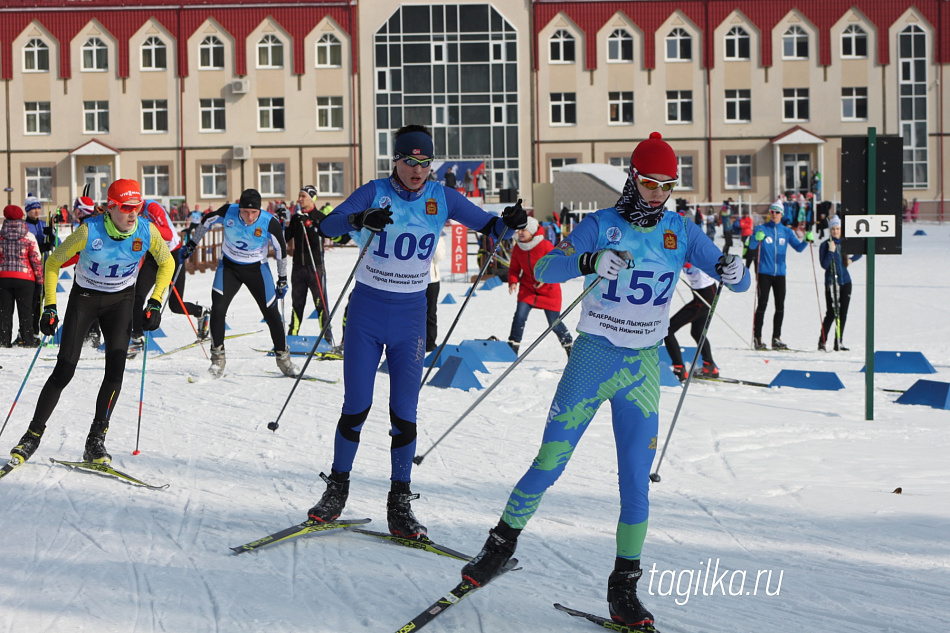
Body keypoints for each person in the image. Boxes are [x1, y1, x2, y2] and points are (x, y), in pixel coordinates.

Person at [459, 132, 750, 630]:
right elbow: (548, 266)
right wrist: (588, 261)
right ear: (633, 179)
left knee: (636, 483)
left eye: (666, 185)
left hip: (642, 369)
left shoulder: (680, 230)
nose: (657, 193)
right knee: (550, 461)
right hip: (593, 358)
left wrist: (732, 268)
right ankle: (498, 545)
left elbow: (734, 279)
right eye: (649, 182)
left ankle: (624, 588)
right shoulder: (601, 224)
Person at [306, 123, 526, 538]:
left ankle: (400, 505)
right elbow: (327, 227)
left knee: (404, 413)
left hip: (410, 316)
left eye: (425, 163)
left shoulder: (441, 197)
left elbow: (491, 227)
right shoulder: (374, 191)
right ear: (397, 160)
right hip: (367, 313)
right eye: (410, 161)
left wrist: (510, 221)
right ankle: (336, 491)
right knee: (357, 404)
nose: (418, 170)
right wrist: (359, 217)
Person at [7, 179, 173, 467]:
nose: (133, 213)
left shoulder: (146, 231)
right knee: (64, 370)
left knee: (115, 373)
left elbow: (167, 263)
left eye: (137, 207)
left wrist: (156, 301)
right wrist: (49, 306)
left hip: (120, 301)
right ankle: (32, 434)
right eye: (126, 207)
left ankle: (96, 440)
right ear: (111, 207)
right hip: (84, 298)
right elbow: (53, 262)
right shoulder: (89, 230)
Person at [181, 189, 297, 378]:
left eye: (254, 212)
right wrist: (192, 244)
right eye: (245, 211)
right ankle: (217, 360)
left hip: (257, 269)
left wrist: (282, 279)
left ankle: (284, 360)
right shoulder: (229, 211)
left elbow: (281, 250)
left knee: (271, 313)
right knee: (218, 309)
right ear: (239, 207)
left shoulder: (269, 222)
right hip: (229, 268)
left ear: (260, 210)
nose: (249, 217)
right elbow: (207, 221)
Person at [130, 199, 211, 353]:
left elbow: (167, 233)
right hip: (153, 256)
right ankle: (137, 338)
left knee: (176, 305)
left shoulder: (152, 207)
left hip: (173, 256)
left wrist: (145, 225)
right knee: (137, 297)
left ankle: (202, 312)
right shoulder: (131, 215)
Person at [747, 201, 813, 350]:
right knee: (762, 304)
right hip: (764, 272)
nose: (774, 215)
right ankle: (757, 338)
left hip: (780, 274)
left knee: (780, 306)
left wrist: (806, 240)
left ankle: (776, 338)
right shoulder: (762, 229)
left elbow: (798, 248)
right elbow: (751, 247)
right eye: (772, 212)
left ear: (782, 214)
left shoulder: (787, 231)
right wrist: (755, 238)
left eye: (777, 212)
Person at [506, 214, 573, 358]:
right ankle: (512, 348)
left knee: (554, 323)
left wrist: (546, 278)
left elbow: (555, 266)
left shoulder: (545, 245)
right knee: (519, 317)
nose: (521, 233)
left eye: (524, 230)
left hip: (549, 290)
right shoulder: (518, 247)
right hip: (528, 288)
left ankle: (569, 346)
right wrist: (512, 281)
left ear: (532, 231)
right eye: (519, 230)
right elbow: (514, 269)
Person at [285, 185, 333, 345]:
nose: (299, 199)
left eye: (302, 196)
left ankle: (326, 338)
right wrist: (279, 222)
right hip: (298, 267)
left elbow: (319, 239)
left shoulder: (320, 217)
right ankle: (291, 337)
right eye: (299, 196)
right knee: (297, 303)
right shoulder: (296, 217)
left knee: (320, 303)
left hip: (315, 267)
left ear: (312, 198)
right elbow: (285, 237)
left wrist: (309, 225)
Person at [664, 263, 718, 381]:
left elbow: (689, 263)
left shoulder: (691, 250)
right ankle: (709, 367)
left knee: (668, 330)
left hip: (706, 296)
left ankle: (679, 369)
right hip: (702, 295)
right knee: (697, 332)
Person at [0, 205, 43, 347]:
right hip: (26, 279)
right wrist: (39, 281)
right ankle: (28, 340)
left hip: (3, 277)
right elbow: (36, 260)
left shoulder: (1, 236)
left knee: (4, 313)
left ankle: (3, 341)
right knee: (26, 312)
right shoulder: (28, 236)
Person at [818, 216, 860, 351]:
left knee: (843, 313)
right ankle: (822, 341)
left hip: (845, 281)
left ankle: (839, 341)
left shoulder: (845, 242)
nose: (835, 231)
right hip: (831, 283)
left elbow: (860, 251)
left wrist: (851, 260)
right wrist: (831, 252)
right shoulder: (825, 245)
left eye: (838, 229)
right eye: (833, 229)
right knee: (831, 312)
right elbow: (824, 265)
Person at [23, 195, 55, 340]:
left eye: (38, 208)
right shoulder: (24, 226)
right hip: (30, 269)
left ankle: (38, 328)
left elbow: (56, 242)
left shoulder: (43, 225)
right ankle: (29, 330)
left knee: (41, 300)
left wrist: (52, 236)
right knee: (32, 301)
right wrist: (42, 247)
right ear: (27, 210)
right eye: (33, 208)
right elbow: (26, 246)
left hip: (44, 267)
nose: (36, 211)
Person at [425, 226, 447, 352]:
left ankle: (430, 342)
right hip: (415, 278)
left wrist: (435, 239)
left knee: (431, 313)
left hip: (432, 280)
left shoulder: (438, 235)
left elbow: (440, 257)